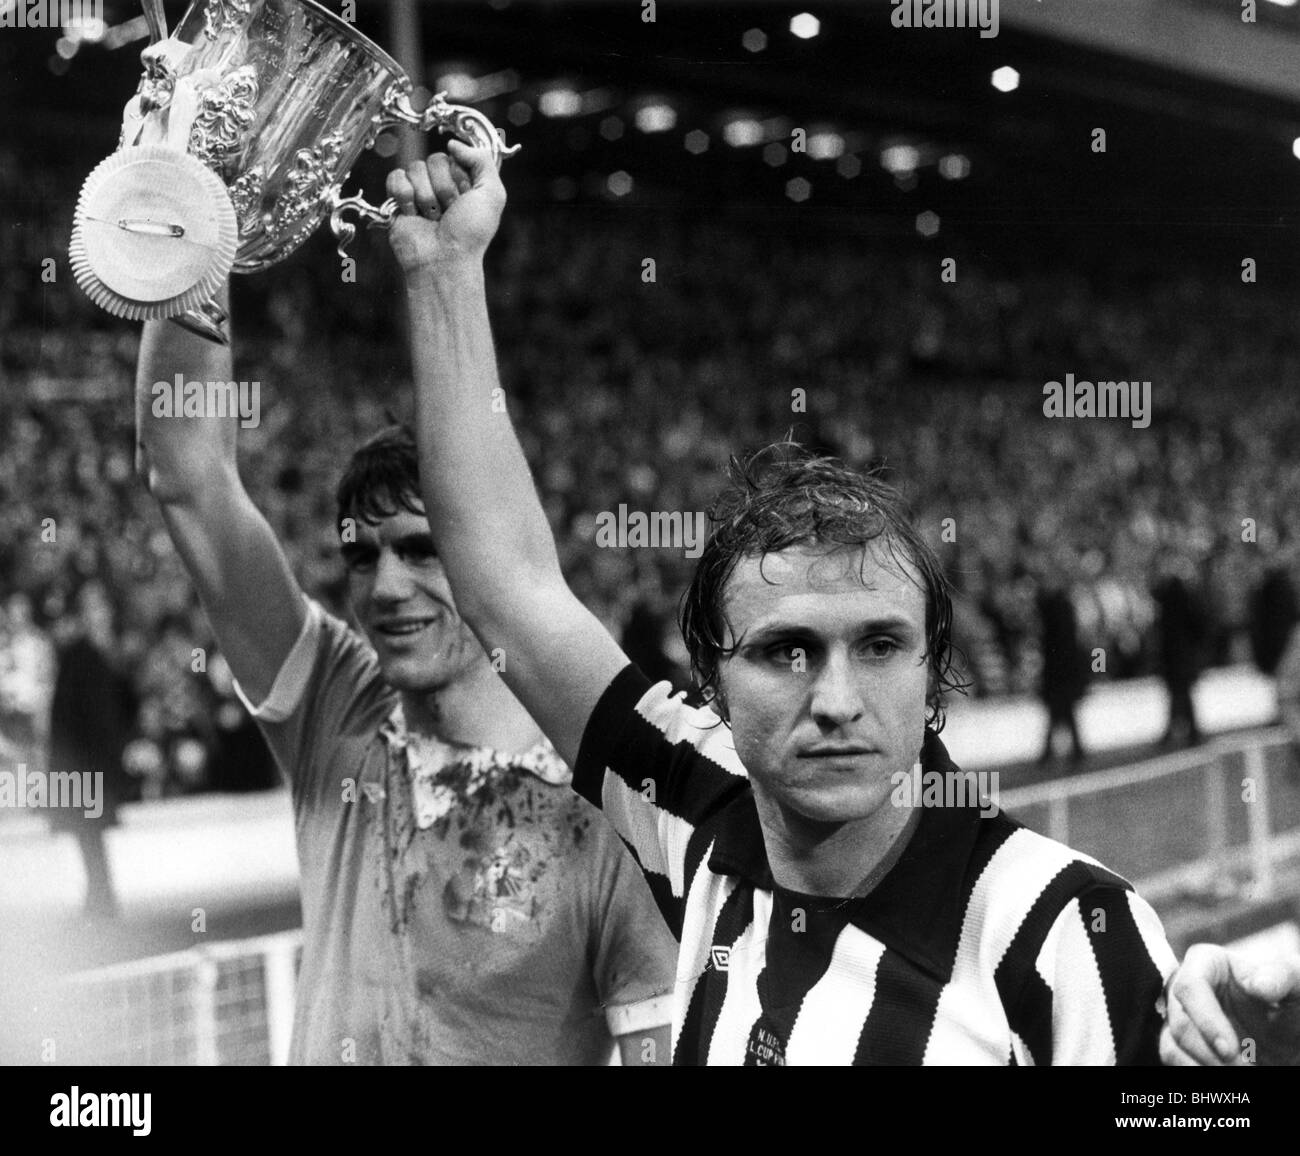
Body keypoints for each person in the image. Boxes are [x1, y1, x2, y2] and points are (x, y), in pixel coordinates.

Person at [384, 143, 1187, 1065]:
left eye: (881, 646)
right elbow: (507, 590)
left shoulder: (1061, 931)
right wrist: (444, 274)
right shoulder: (699, 810)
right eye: (786, 651)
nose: (837, 699)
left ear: (934, 678)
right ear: (713, 691)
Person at [134, 298, 675, 1066]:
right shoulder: (336, 704)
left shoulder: (612, 809)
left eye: (422, 551)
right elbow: (186, 475)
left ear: (490, 560)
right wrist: (194, 249)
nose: (385, 588)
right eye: (363, 556)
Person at [47, 580, 135, 919]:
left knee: (91, 833)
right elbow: (72, 717)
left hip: (93, 762)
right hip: (83, 763)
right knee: (88, 832)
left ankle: (101, 896)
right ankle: (101, 895)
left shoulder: (103, 656)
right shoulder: (81, 656)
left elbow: (118, 709)